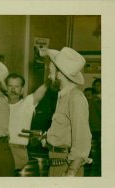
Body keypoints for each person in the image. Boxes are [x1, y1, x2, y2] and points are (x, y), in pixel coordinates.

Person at [44, 47, 92, 176]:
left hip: (66, 166)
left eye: (50, 72)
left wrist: (71, 172)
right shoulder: (64, 97)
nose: (49, 76)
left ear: (60, 74)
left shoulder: (75, 98)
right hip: (56, 162)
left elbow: (82, 140)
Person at [6, 73, 48, 170]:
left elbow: (40, 92)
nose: (13, 90)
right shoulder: (0, 104)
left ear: (22, 90)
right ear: (5, 88)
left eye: (16, 86)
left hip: (17, 152)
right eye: (10, 86)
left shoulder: (26, 104)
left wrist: (50, 79)